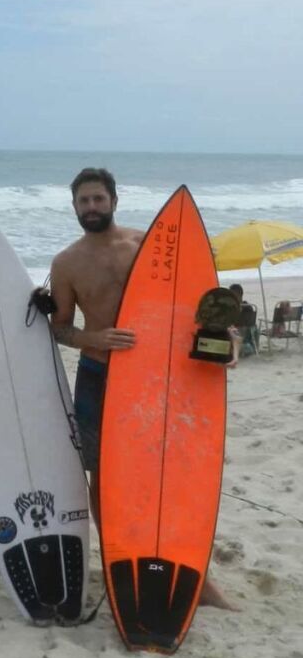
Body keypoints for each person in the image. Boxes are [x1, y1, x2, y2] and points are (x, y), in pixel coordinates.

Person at [49, 167, 235, 610]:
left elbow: (197, 306)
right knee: (101, 475)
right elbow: (58, 328)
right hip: (98, 376)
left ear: (114, 200)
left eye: (98, 199)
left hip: (156, 378)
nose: (91, 208)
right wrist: (92, 339)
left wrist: (226, 342)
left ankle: (196, 576)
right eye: (83, 202)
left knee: (165, 472)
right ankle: (118, 557)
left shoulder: (149, 249)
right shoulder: (66, 263)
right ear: (74, 207)